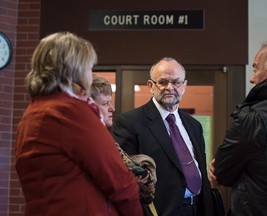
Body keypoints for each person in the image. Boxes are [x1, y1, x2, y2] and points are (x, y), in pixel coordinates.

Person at [14, 32, 143, 216]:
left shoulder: (31, 113)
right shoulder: (70, 112)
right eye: (89, 68)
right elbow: (119, 181)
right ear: (75, 70)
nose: (90, 75)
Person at [113, 57, 214, 216]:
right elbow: (125, 178)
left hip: (198, 208)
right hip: (160, 211)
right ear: (150, 86)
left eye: (176, 82)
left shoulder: (194, 125)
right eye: (163, 82)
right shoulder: (130, 122)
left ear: (184, 86)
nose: (170, 87)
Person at [209, 39, 267, 216]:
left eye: (256, 69)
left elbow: (221, 173)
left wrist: (219, 166)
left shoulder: (254, 118)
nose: (252, 78)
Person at [90, 75, 158, 216]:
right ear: (89, 107)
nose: (112, 108)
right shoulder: (93, 143)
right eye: (105, 103)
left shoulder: (106, 140)